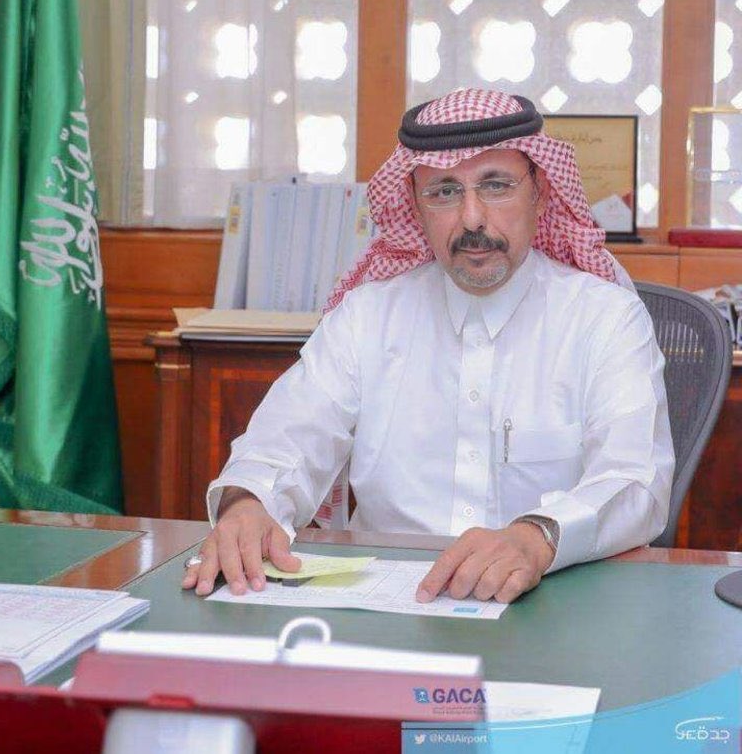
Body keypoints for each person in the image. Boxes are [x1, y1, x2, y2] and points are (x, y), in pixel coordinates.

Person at [183, 89, 674, 605]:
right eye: (443, 191)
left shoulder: (605, 318)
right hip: (387, 604)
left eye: (497, 185)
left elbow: (634, 481)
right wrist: (248, 503)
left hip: (553, 602)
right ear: (415, 207)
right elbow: (286, 439)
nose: (472, 218)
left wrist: (538, 537)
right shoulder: (367, 316)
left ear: (541, 194)